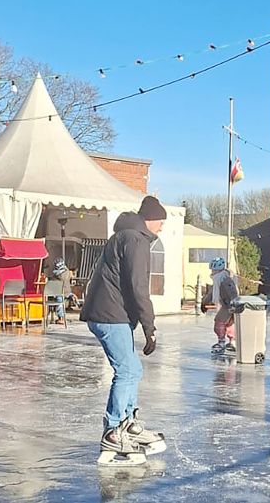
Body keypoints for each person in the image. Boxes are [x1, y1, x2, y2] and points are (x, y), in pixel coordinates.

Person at [81, 196, 168, 465]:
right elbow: (138, 286)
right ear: (150, 219)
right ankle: (114, 430)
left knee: (133, 370)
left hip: (110, 313)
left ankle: (128, 425)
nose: (162, 227)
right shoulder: (135, 240)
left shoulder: (126, 236)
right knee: (127, 371)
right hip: (110, 315)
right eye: (161, 222)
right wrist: (149, 327)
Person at [203, 257, 239, 354]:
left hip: (228, 305)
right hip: (227, 305)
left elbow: (232, 292)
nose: (212, 272)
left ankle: (223, 342)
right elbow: (211, 293)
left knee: (220, 322)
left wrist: (233, 304)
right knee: (229, 323)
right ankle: (232, 342)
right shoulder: (218, 280)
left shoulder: (224, 279)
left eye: (213, 270)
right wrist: (204, 302)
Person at [51, 258, 77, 325]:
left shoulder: (57, 274)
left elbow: (54, 282)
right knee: (59, 299)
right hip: (67, 291)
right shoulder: (67, 271)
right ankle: (60, 317)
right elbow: (71, 278)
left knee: (59, 301)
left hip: (61, 292)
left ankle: (61, 318)